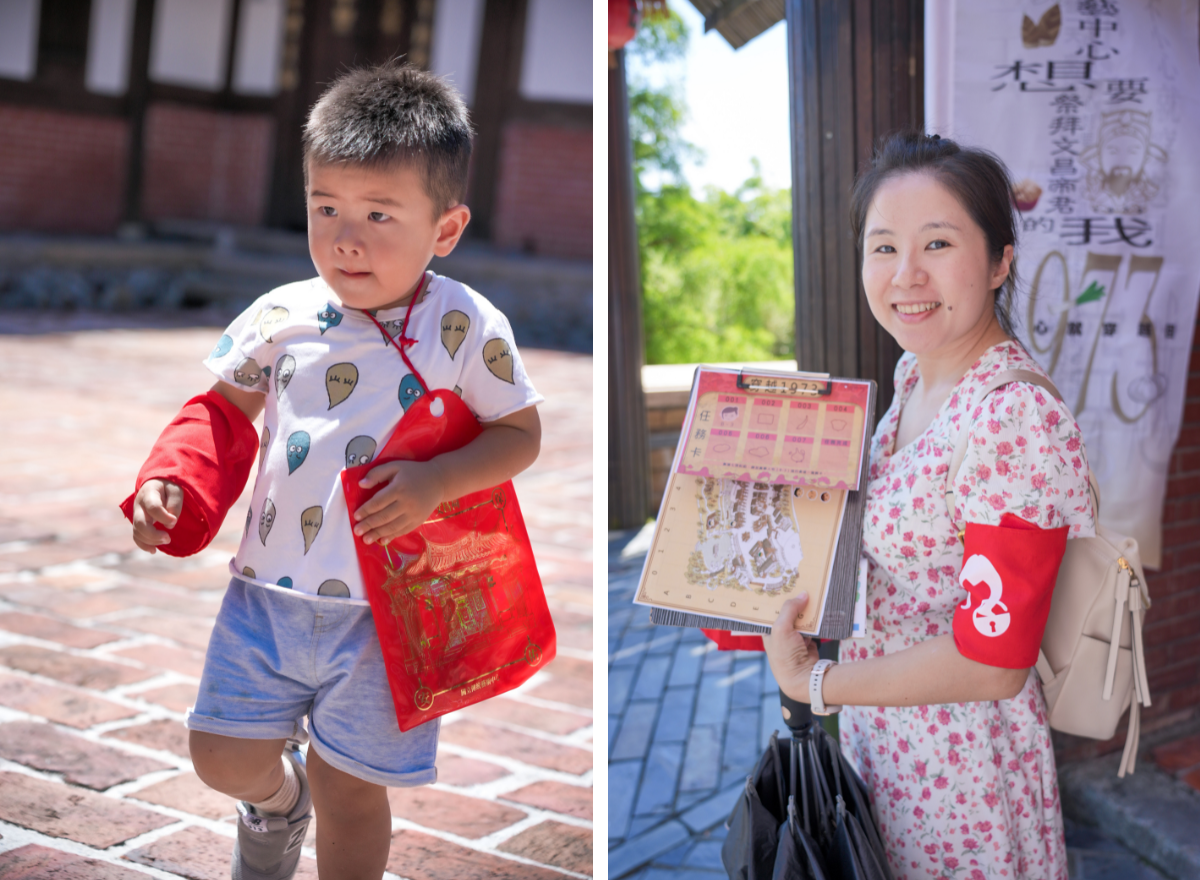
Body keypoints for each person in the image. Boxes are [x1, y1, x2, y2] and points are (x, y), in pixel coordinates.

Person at [122, 63, 543, 880]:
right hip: (266, 596)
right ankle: (277, 806)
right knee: (218, 751)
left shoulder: (465, 324)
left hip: (390, 614)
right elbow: (217, 411)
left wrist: (438, 482)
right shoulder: (280, 314)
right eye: (326, 208)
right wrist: (169, 481)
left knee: (352, 787)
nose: (346, 237)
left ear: (445, 229)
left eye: (380, 214)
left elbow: (518, 435)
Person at [763, 131, 1093, 880]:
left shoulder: (1010, 416)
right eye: (882, 248)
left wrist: (814, 682)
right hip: (891, 747)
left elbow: (994, 660)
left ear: (1001, 258)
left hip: (965, 772)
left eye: (937, 243)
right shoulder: (916, 375)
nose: (905, 274)